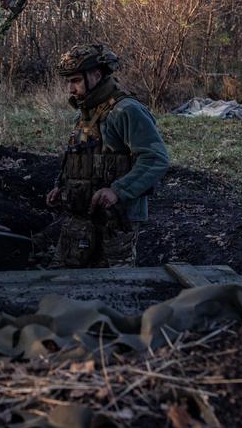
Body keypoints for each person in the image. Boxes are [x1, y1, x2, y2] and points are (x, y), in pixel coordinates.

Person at [46, 44, 169, 268]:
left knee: (114, 289)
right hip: (81, 218)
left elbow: (155, 159)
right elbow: (80, 157)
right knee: (65, 281)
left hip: (116, 220)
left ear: (96, 75)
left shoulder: (127, 110)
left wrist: (117, 191)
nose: (70, 89)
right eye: (68, 82)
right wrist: (61, 187)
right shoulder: (85, 113)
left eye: (75, 81)